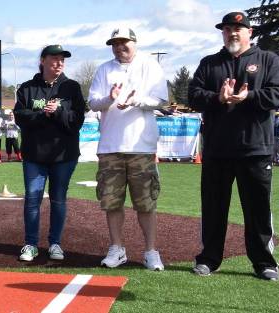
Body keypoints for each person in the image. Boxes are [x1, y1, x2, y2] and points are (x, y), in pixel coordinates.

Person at [188, 12, 279, 281]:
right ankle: (208, 259)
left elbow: (278, 94)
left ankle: (264, 263)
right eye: (227, 29)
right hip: (217, 151)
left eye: (238, 29)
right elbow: (194, 96)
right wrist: (217, 97)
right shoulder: (210, 64)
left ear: (250, 32)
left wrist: (249, 96)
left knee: (257, 210)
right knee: (213, 208)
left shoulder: (268, 60)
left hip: (255, 150)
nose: (232, 33)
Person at [88, 28, 168, 271]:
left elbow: (162, 101)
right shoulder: (104, 69)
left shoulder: (150, 65)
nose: (119, 47)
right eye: (115, 44)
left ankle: (151, 251)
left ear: (135, 42)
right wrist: (110, 99)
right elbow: (93, 102)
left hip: (141, 146)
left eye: (124, 43)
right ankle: (116, 248)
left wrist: (136, 100)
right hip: (110, 145)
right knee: (111, 201)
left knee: (146, 202)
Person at [14, 44, 86, 262]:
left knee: (58, 200)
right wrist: (42, 115)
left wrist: (58, 112)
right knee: (32, 200)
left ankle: (55, 243)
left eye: (62, 59)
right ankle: (31, 244)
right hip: (34, 156)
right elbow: (20, 117)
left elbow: (77, 121)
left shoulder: (72, 87)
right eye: (54, 58)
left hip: (64, 156)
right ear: (43, 60)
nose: (59, 63)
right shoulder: (27, 88)